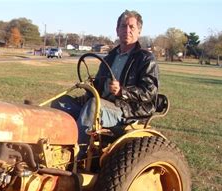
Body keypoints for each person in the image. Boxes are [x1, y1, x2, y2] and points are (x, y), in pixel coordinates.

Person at [52, 10, 159, 157]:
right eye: (123, 26)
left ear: (139, 31)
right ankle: (54, 147)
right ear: (117, 30)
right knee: (61, 103)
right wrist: (89, 87)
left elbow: (149, 92)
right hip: (103, 104)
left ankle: (75, 156)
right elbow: (98, 85)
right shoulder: (110, 57)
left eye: (131, 27)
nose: (127, 30)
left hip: (127, 111)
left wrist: (122, 91)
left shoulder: (146, 59)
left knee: (94, 106)